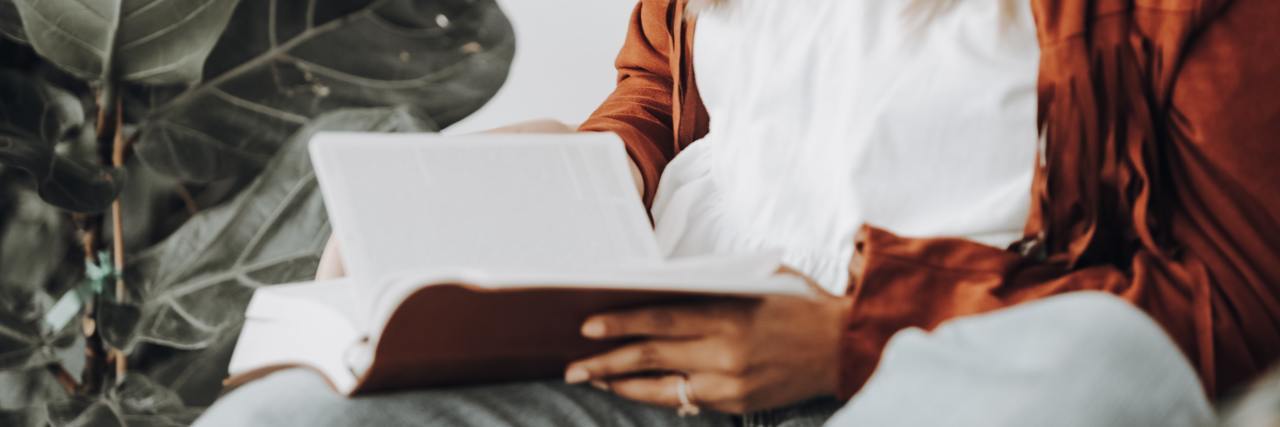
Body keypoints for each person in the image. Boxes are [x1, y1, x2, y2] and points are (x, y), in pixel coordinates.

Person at [196, 0, 1280, 425]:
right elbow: (659, 105)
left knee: (1095, 371)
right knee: (279, 420)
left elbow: (1233, 288)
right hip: (638, 355)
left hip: (919, 386)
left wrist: (850, 341)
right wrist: (525, 192)